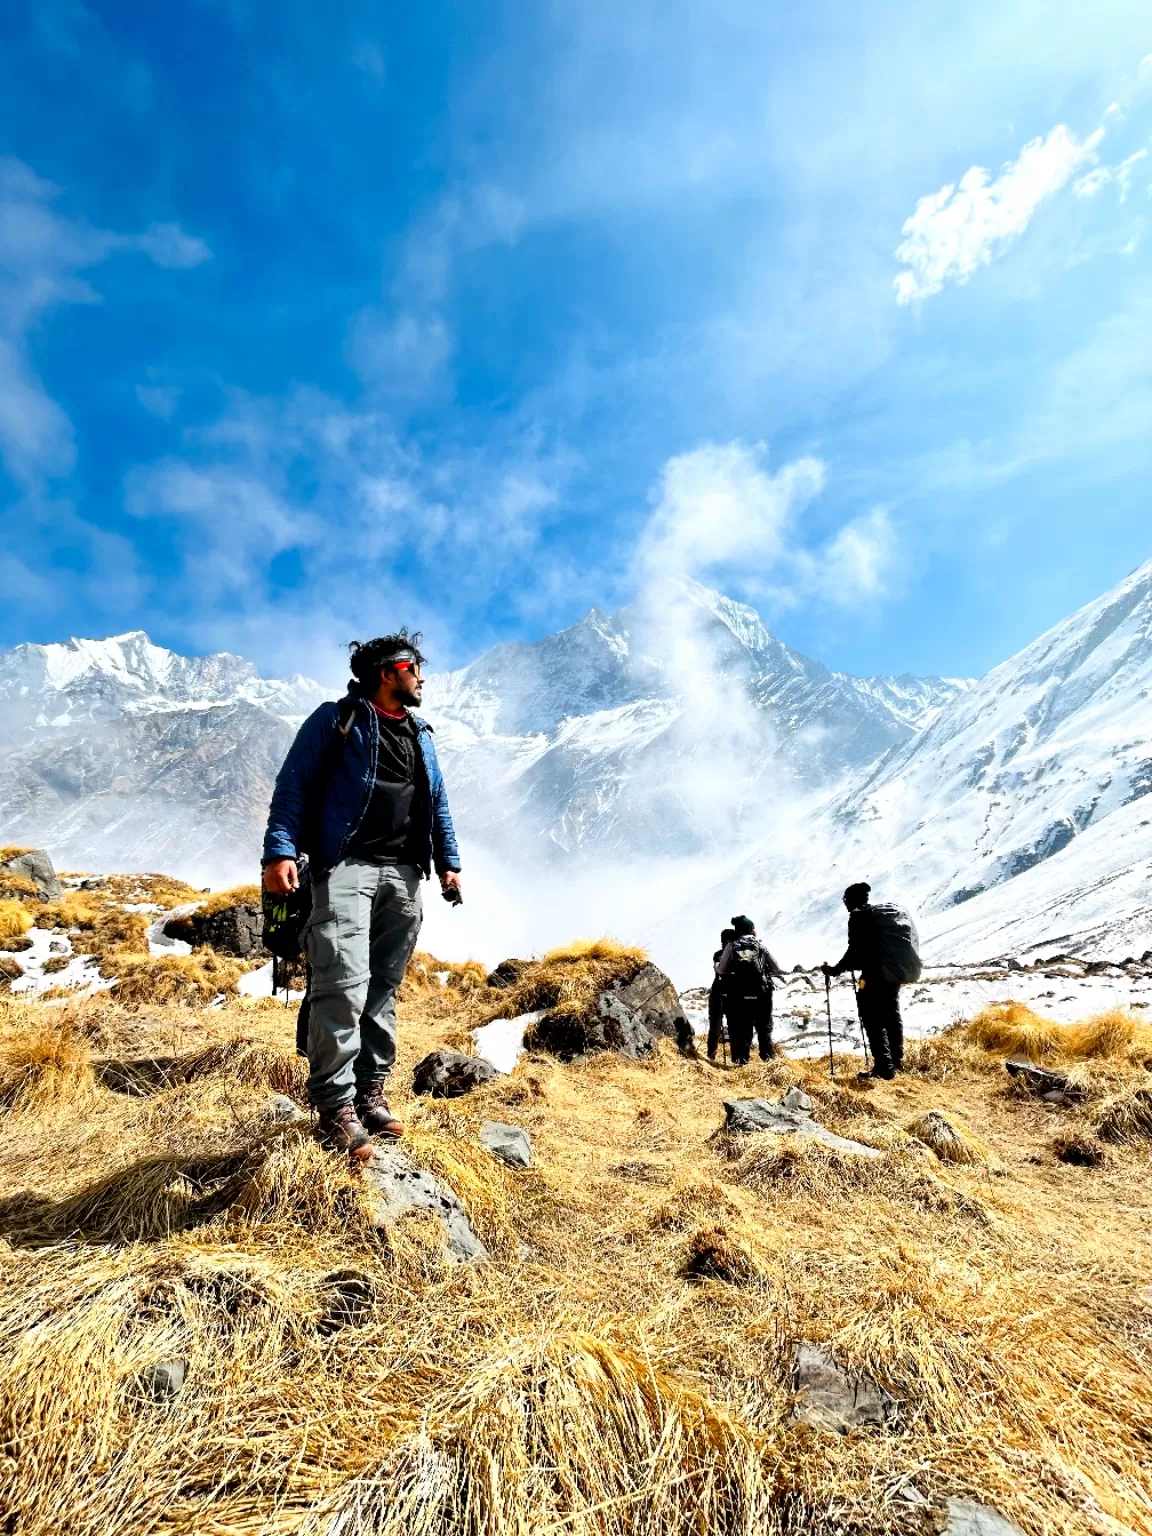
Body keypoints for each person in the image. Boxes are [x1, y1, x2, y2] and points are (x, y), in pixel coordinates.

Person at [263, 630, 462, 1156]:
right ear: (387, 673)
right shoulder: (336, 720)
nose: (420, 678)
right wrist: (279, 851)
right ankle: (334, 1107)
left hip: (404, 874)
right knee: (342, 984)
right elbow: (294, 787)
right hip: (346, 868)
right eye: (412, 668)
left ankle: (371, 1094)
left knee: (382, 989)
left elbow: (437, 802)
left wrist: (450, 864)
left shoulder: (421, 733)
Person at [822, 882, 919, 1081]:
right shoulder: (878, 917)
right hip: (892, 974)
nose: (845, 904)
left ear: (852, 900)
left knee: (872, 1019)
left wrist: (834, 970)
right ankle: (897, 1061)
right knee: (891, 1015)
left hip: (872, 977)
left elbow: (855, 953)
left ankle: (884, 1068)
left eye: (846, 900)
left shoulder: (858, 918)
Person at [715, 914, 785, 1065]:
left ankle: (742, 1062)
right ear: (749, 930)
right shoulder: (760, 945)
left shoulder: (732, 945)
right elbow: (776, 967)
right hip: (762, 994)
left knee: (743, 1029)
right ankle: (768, 1061)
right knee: (764, 1028)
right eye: (753, 928)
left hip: (740, 994)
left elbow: (721, 970)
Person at [707, 927, 736, 1062]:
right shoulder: (718, 955)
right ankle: (711, 1057)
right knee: (715, 1028)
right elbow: (720, 969)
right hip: (719, 994)